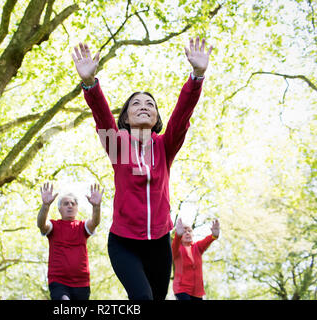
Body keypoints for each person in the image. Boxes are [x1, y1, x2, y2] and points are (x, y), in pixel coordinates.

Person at [71, 37, 213, 299]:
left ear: (157, 117)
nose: (144, 106)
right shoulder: (118, 146)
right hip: (124, 243)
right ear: (125, 117)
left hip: (159, 243)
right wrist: (90, 84)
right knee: (142, 298)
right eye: (136, 103)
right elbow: (102, 117)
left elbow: (181, 117)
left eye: (150, 104)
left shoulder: (165, 146)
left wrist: (197, 77)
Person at [37, 182, 104, 300]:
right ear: (59, 209)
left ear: (77, 208)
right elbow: (41, 224)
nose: (70, 206)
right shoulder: (53, 226)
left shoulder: (82, 226)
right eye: (66, 203)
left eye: (73, 204)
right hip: (58, 281)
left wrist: (96, 207)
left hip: (82, 283)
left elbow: (95, 222)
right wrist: (45, 206)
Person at [172, 218, 220, 300]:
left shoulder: (197, 247)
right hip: (182, 289)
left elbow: (207, 240)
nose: (187, 233)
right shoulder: (177, 249)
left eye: (189, 231)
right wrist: (178, 235)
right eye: (184, 232)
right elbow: (174, 245)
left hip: (197, 292)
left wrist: (214, 235)